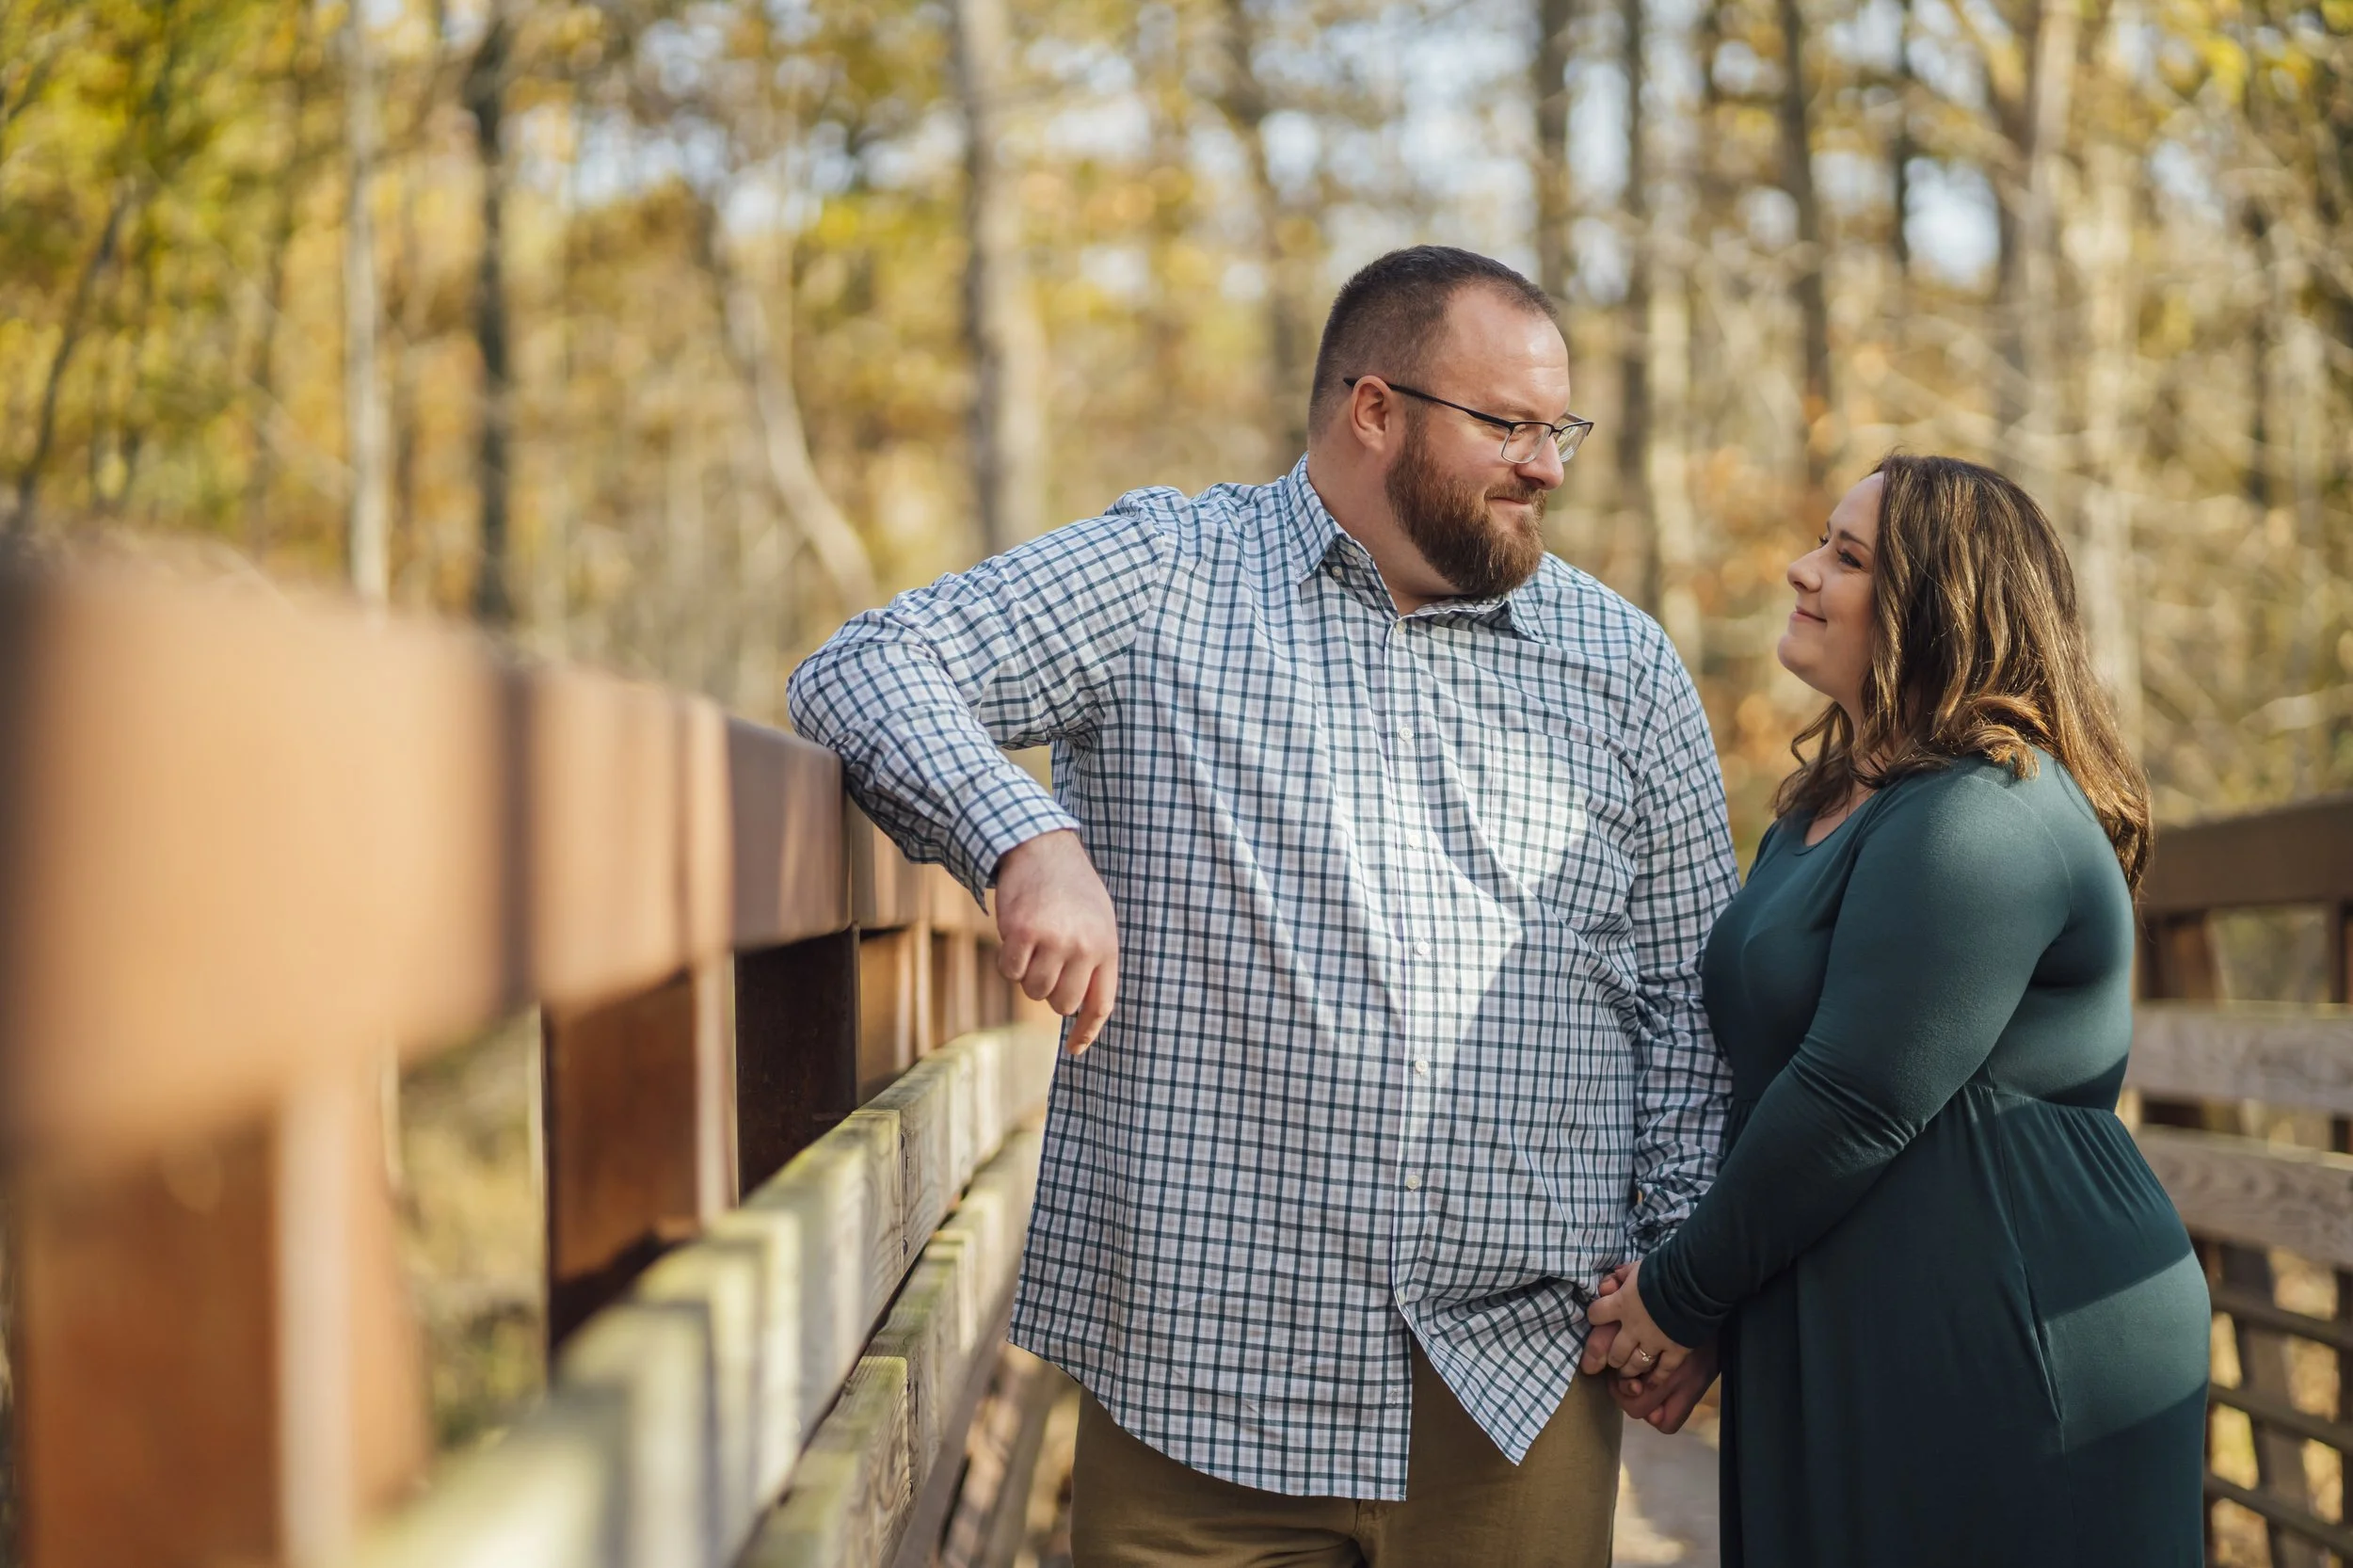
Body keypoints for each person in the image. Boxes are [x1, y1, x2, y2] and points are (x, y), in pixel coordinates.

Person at [788, 245, 1738, 1566]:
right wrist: (1028, 839)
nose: (1549, 465)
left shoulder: (1622, 668)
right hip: (1201, 1387)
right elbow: (866, 665)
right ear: (1375, 409)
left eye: (1559, 427)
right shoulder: (1167, 577)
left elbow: (1695, 1004)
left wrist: (1684, 1284)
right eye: (1509, 425)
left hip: (1513, 1392)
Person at [1581, 455, 2210, 1566]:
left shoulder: (1985, 809)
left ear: (1940, 602)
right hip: (1848, 1330)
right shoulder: (1821, 807)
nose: (1800, 568)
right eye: (1821, 540)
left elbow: (1851, 1095)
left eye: (1847, 556)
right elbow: (1770, 1075)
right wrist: (1713, 1307)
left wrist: (1679, 1293)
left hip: (2012, 1340)